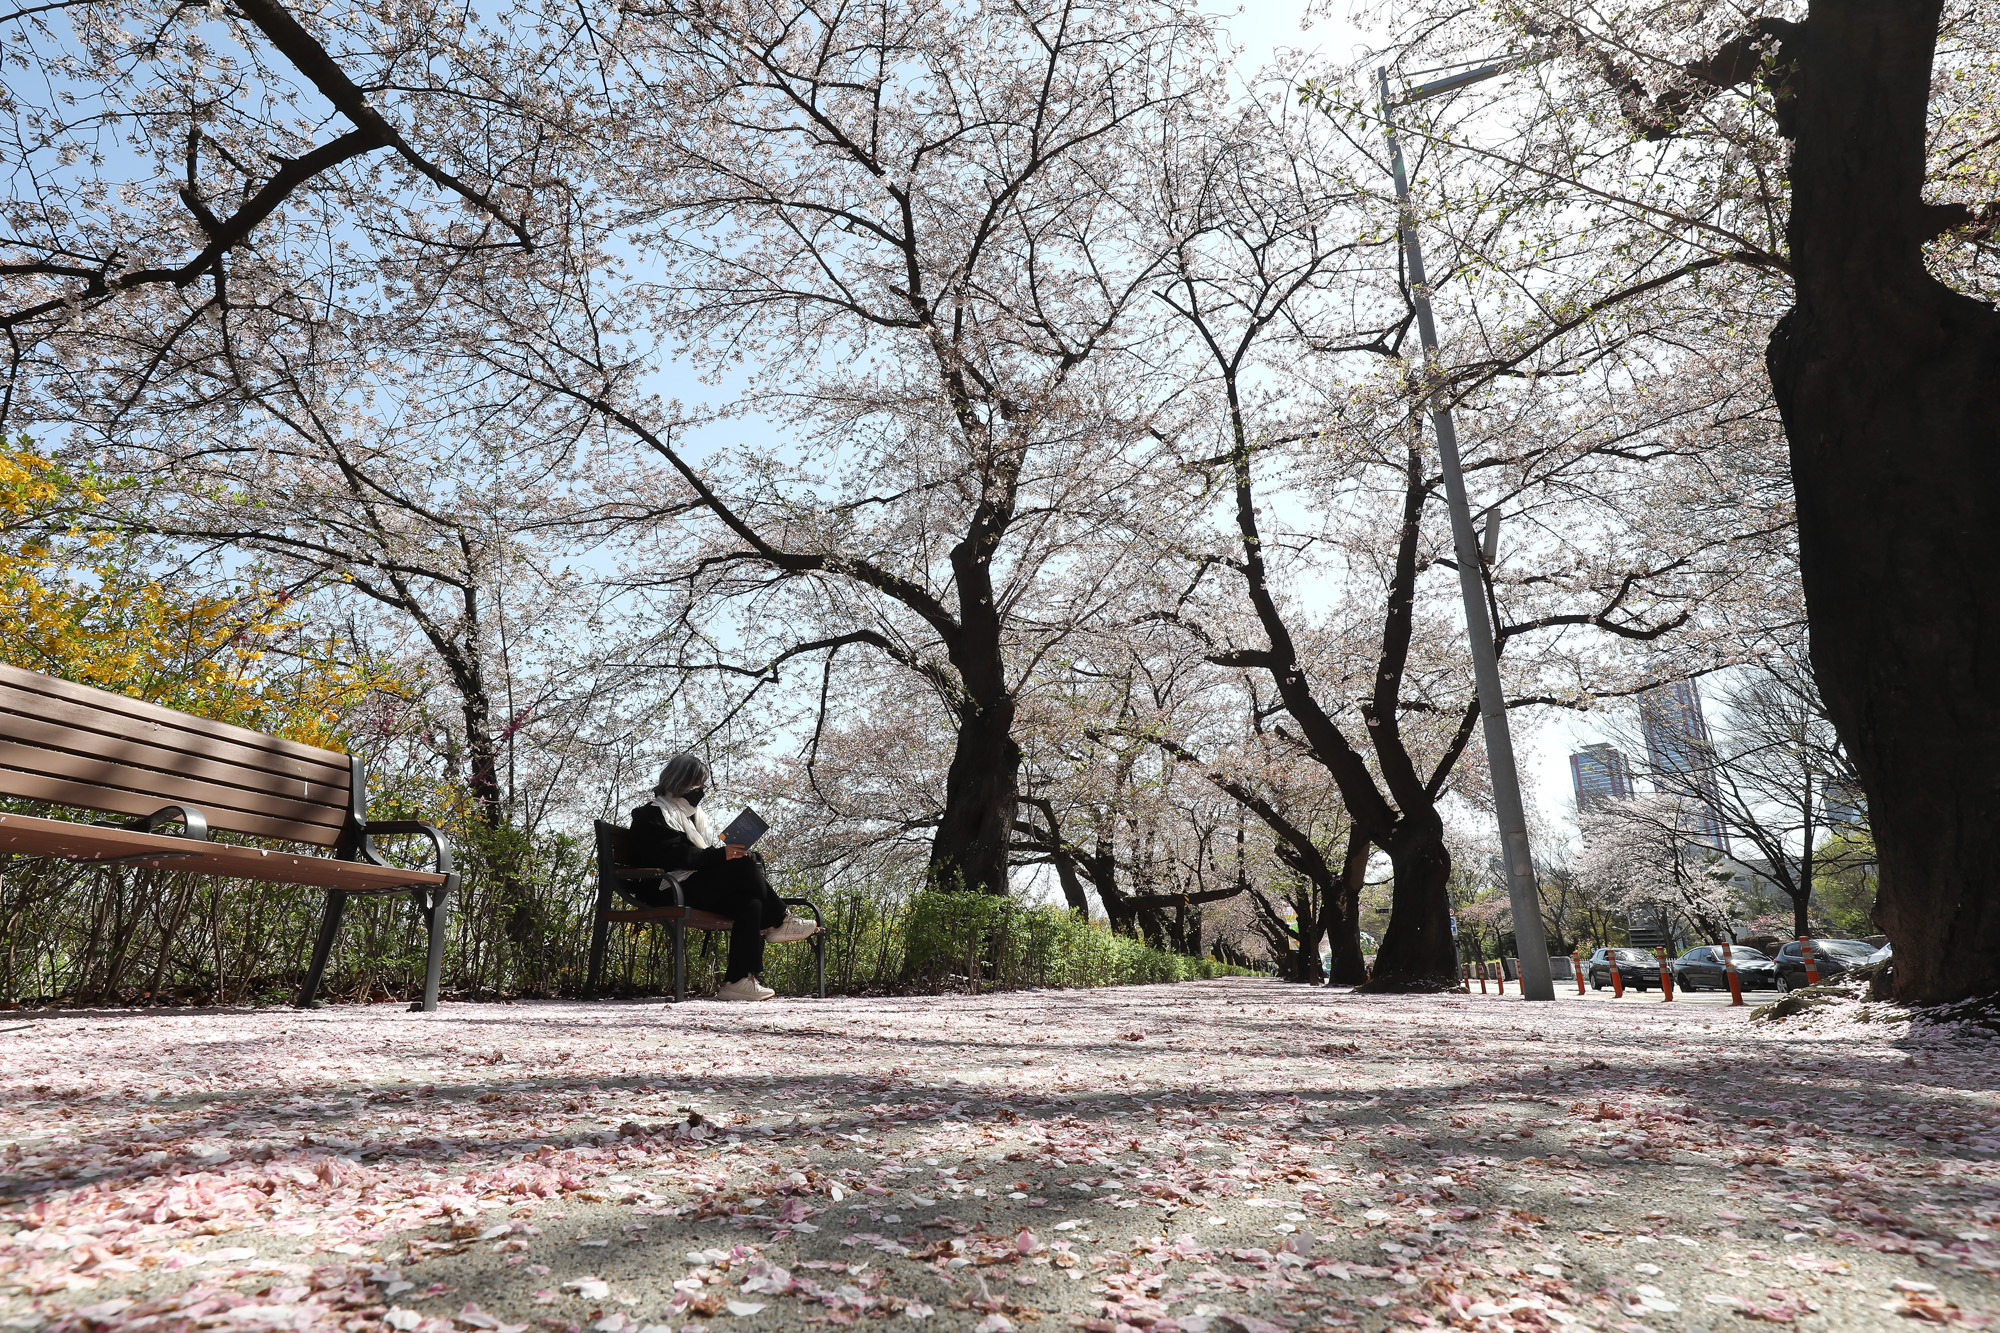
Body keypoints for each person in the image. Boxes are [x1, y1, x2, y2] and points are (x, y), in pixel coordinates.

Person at [629, 754, 818, 1001]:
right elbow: (673, 856)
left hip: (690, 886)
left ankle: (738, 981)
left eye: (702, 785)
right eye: (697, 784)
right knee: (741, 865)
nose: (701, 790)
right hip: (667, 890)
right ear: (680, 781)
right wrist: (722, 855)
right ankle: (781, 920)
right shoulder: (651, 815)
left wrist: (727, 854)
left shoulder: (693, 817)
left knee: (749, 901)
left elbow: (698, 857)